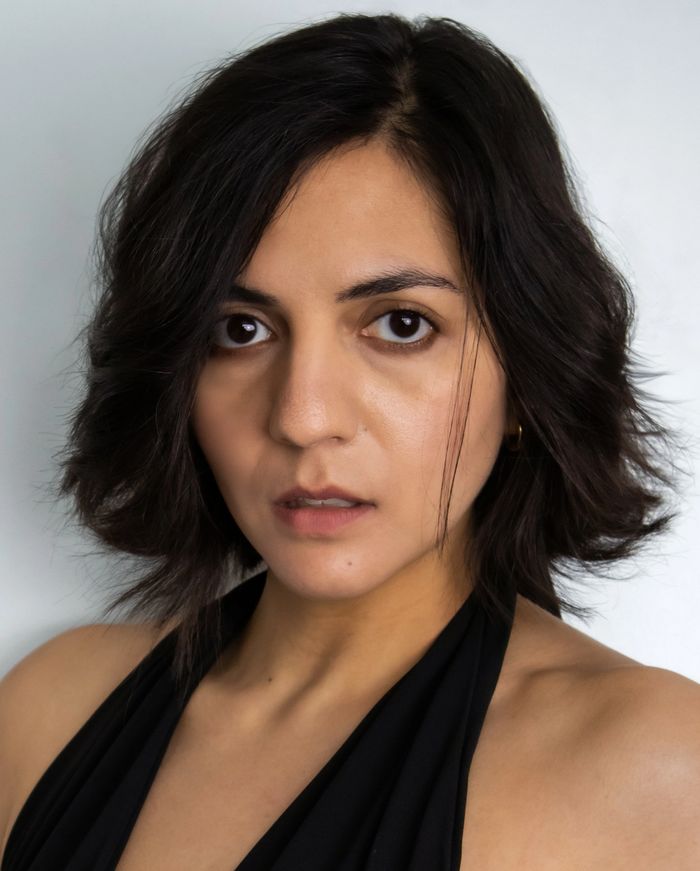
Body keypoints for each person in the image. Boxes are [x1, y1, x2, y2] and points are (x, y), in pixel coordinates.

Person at [1, 11, 699, 870]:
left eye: (400, 325)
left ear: (527, 376)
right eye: (240, 329)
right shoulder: (49, 709)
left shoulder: (655, 775)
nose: (302, 415)